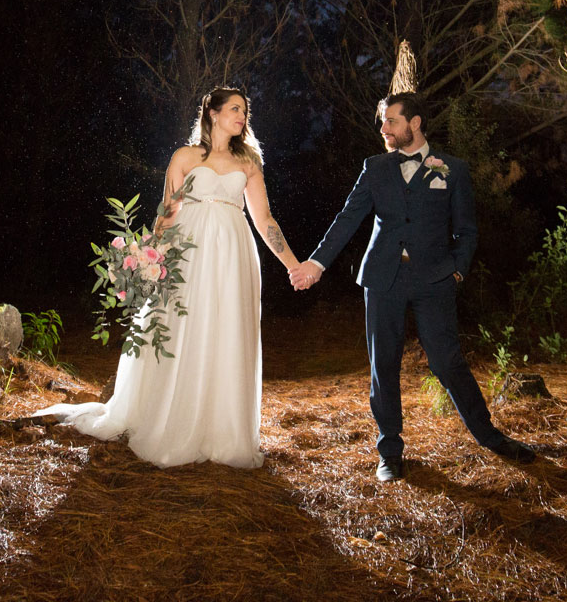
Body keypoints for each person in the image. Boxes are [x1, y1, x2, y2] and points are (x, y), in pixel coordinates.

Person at [35, 86, 304, 468]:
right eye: (234, 108)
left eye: (245, 110)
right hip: (188, 255)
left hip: (233, 255)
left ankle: (223, 430)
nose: (242, 116)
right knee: (181, 326)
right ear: (212, 113)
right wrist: (146, 259)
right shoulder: (184, 157)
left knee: (227, 330)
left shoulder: (249, 162)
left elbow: (264, 219)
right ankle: (171, 420)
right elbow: (167, 215)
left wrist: (292, 264)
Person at [296, 92, 536, 480]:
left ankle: (490, 436)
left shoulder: (451, 169)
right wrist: (317, 262)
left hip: (435, 279)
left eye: (391, 121)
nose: (384, 129)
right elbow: (347, 218)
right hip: (382, 278)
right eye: (382, 122)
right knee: (383, 366)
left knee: (447, 361)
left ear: (415, 123)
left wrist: (457, 270)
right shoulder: (374, 167)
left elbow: (467, 230)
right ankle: (390, 452)